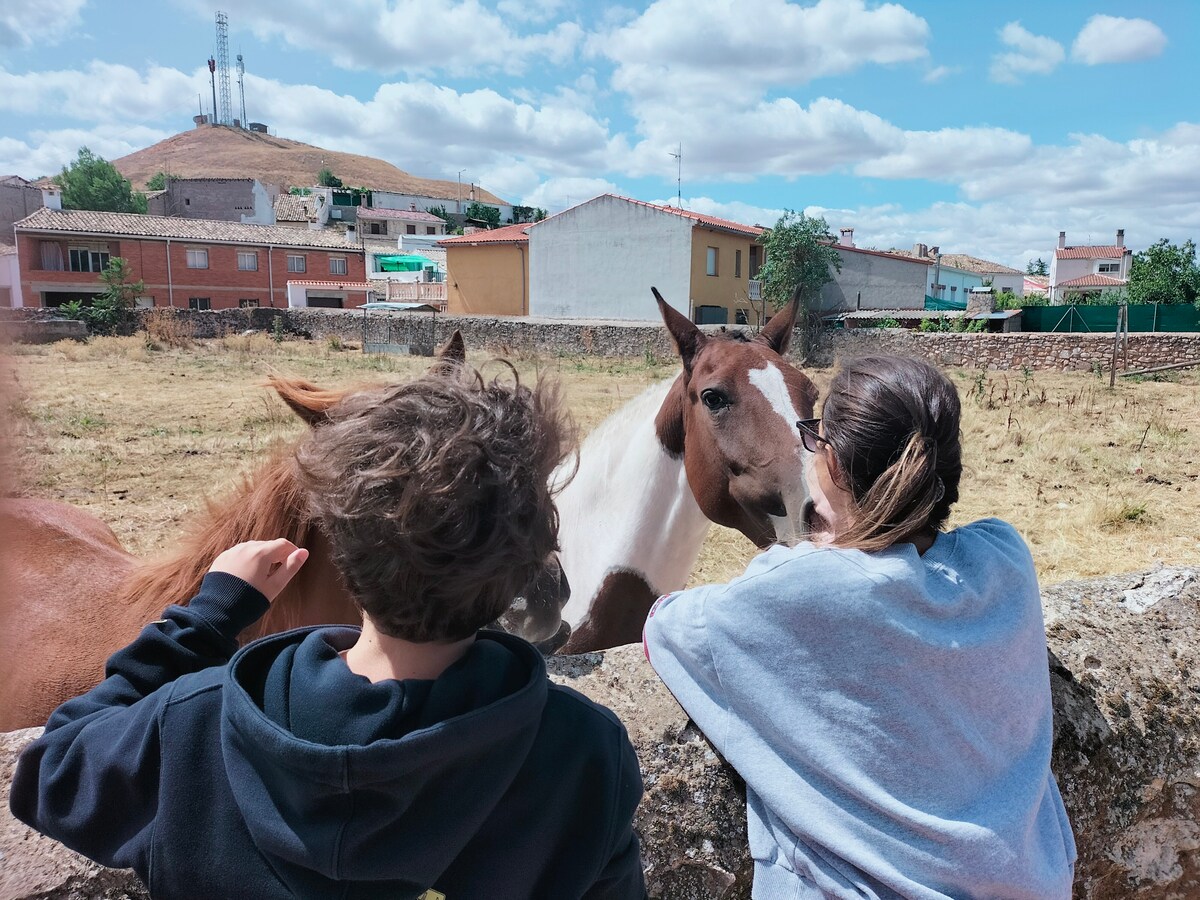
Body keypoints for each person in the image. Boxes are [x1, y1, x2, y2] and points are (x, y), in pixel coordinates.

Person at [11, 367, 645, 900]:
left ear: (335, 543)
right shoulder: (581, 754)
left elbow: (49, 770)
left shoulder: (194, 725)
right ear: (530, 559)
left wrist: (202, 619)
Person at [643, 355, 1076, 899]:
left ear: (836, 467)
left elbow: (669, 626)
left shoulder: (804, 590)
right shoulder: (1005, 556)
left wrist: (814, 551)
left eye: (815, 439)